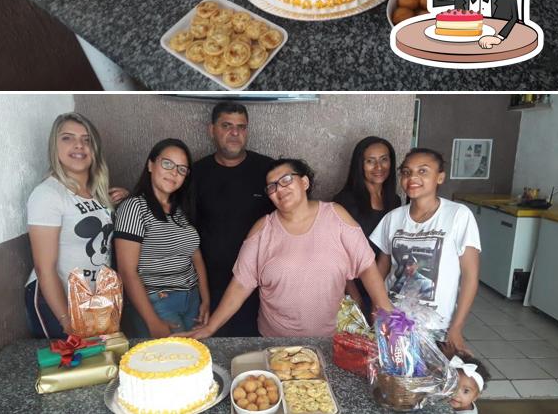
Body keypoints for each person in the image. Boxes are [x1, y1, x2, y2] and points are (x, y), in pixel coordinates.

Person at [186, 158, 393, 339]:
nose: (279, 189)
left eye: (286, 180)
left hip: (331, 339)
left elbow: (366, 265)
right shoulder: (262, 229)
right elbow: (240, 285)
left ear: (304, 182)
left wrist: (386, 312)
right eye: (272, 187)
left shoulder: (336, 216)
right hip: (275, 342)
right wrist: (210, 327)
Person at [25, 112, 127, 339]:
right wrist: (65, 319)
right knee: (71, 368)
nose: (79, 145)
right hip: (56, 299)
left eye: (86, 139)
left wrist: (123, 198)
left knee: (99, 364)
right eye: (67, 138)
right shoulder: (48, 194)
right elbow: (44, 268)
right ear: (55, 146)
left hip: (93, 297)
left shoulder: (98, 193)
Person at [371, 148, 480, 353]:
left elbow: (470, 277)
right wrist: (375, 307)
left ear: (440, 177)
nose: (412, 177)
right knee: (391, 381)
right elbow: (380, 269)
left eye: (423, 171)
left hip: (436, 327)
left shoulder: (458, 215)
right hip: (392, 322)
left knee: (429, 381)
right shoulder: (392, 218)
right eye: (406, 172)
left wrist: (456, 327)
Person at [191, 101, 274, 336]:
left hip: (259, 282)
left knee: (254, 348)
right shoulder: (196, 173)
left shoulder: (266, 169)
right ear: (212, 130)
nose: (235, 133)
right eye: (227, 125)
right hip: (210, 282)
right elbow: (172, 212)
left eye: (241, 126)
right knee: (213, 342)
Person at [114, 139, 210, 337]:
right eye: (167, 164)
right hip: (157, 301)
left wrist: (205, 299)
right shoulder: (134, 207)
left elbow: (195, 256)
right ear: (151, 164)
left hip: (191, 299)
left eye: (182, 169)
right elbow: (126, 270)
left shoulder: (180, 210)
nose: (174, 173)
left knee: (193, 359)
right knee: (172, 362)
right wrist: (152, 321)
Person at [333, 136, 401, 315]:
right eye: (370, 161)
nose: (379, 167)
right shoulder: (344, 202)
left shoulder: (394, 201)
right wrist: (355, 296)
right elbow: (338, 255)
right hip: (354, 287)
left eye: (384, 159)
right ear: (359, 165)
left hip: (384, 283)